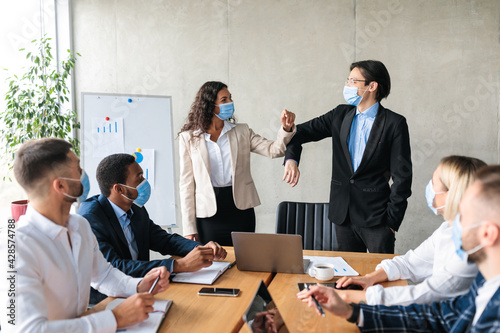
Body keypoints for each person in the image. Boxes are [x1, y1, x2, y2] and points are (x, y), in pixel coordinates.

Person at [297, 165, 500, 332]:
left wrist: (351, 298)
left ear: (488, 234)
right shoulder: (484, 282)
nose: (453, 224)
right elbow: (440, 317)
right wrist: (353, 313)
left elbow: (427, 299)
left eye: (463, 215)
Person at [11, 138, 169, 332]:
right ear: (60, 186)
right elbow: (29, 330)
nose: (83, 174)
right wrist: (115, 318)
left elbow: (103, 275)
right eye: (77, 168)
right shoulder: (15, 246)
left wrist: (138, 285)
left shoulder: (80, 225)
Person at [283, 60, 412, 253]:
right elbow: (297, 133)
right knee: (347, 279)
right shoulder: (339, 115)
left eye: (353, 81)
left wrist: (391, 223)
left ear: (372, 86)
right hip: (342, 216)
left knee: (380, 279)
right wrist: (291, 160)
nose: (347, 86)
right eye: (348, 80)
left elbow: (403, 177)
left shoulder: (394, 123)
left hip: (378, 219)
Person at [335, 156, 485, 306]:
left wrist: (348, 296)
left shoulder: (474, 248)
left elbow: (424, 294)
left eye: (433, 182)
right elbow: (408, 263)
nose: (429, 188)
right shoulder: (447, 230)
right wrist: (369, 278)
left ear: (451, 195)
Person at [78, 153, 227, 304]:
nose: (145, 182)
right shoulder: (91, 218)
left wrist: (201, 249)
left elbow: (165, 240)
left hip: (143, 289)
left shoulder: (136, 208)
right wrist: (179, 265)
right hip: (106, 299)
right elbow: (115, 267)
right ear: (119, 189)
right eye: (139, 178)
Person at [178, 81, 296, 245]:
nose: (230, 103)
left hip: (240, 210)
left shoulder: (242, 131)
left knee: (244, 260)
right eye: (224, 100)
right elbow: (186, 185)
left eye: (230, 98)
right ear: (209, 105)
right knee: (212, 263)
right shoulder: (189, 138)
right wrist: (189, 228)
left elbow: (274, 150)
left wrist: (286, 129)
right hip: (208, 214)